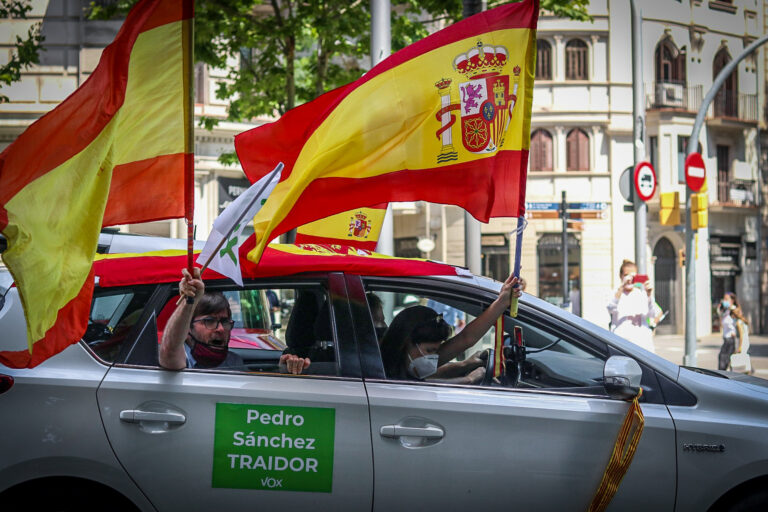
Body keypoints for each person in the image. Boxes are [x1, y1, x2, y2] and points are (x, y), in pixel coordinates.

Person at [159, 267, 309, 374]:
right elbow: (169, 350)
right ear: (188, 329)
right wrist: (189, 301)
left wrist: (283, 372)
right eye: (209, 321)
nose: (220, 329)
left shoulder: (234, 362)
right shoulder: (182, 358)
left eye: (225, 321)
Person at [379, 274, 522, 383]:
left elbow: (465, 339)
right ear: (406, 342)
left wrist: (502, 303)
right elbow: (424, 388)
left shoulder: (413, 358)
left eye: (437, 350)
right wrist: (468, 380)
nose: (433, 357)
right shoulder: (381, 372)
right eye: (429, 350)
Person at [606, 260, 660, 353]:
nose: (629, 279)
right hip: (621, 344)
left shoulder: (641, 294)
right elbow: (611, 308)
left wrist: (649, 295)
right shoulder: (614, 293)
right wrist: (621, 288)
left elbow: (653, 314)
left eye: (633, 276)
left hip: (642, 344)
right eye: (626, 275)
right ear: (621, 276)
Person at [717, 292, 750, 372]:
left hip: (731, 339)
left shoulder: (734, 311)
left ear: (732, 300)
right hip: (726, 338)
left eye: (726, 299)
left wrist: (740, 346)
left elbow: (741, 323)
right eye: (724, 299)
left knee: (723, 360)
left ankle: (722, 376)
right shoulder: (727, 311)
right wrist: (720, 309)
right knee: (725, 360)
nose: (724, 301)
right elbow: (721, 322)